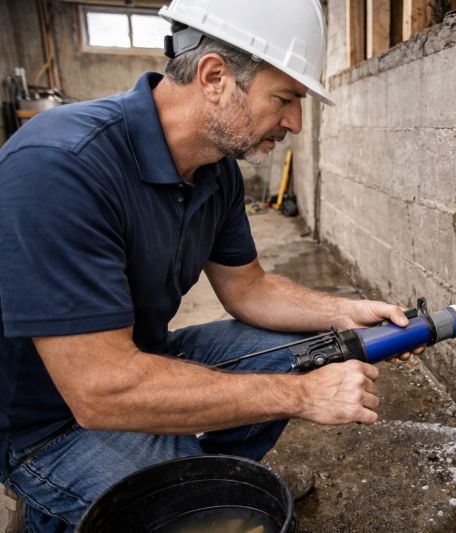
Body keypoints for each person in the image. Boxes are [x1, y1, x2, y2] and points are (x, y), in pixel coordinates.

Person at [0, 1, 420, 530]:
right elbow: (100, 389)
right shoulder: (61, 167)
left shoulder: (216, 172)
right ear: (215, 76)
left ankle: (210, 472)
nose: (293, 121)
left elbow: (249, 289)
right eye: (285, 98)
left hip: (136, 360)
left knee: (306, 353)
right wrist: (302, 396)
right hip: (45, 423)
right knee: (188, 503)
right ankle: (55, 509)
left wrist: (345, 313)